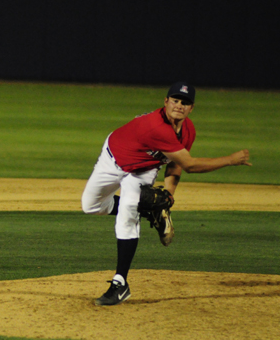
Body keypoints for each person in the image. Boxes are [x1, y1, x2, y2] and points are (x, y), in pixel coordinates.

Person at [81, 82, 251, 306]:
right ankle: (152, 213)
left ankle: (119, 284)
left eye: (185, 102)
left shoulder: (188, 130)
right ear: (166, 102)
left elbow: (176, 163)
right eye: (176, 100)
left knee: (128, 212)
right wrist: (230, 160)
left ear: (191, 108)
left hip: (143, 169)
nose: (179, 105)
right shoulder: (156, 127)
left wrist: (168, 195)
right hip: (113, 159)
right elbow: (190, 165)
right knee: (90, 206)